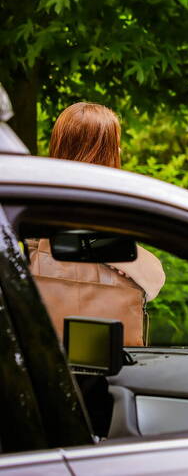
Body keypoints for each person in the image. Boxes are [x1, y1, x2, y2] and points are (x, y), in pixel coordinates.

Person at [27, 102, 165, 346]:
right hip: (109, 367)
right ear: (109, 150)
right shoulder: (112, 207)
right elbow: (153, 280)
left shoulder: (31, 205)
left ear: (58, 143)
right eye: (115, 143)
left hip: (43, 364)